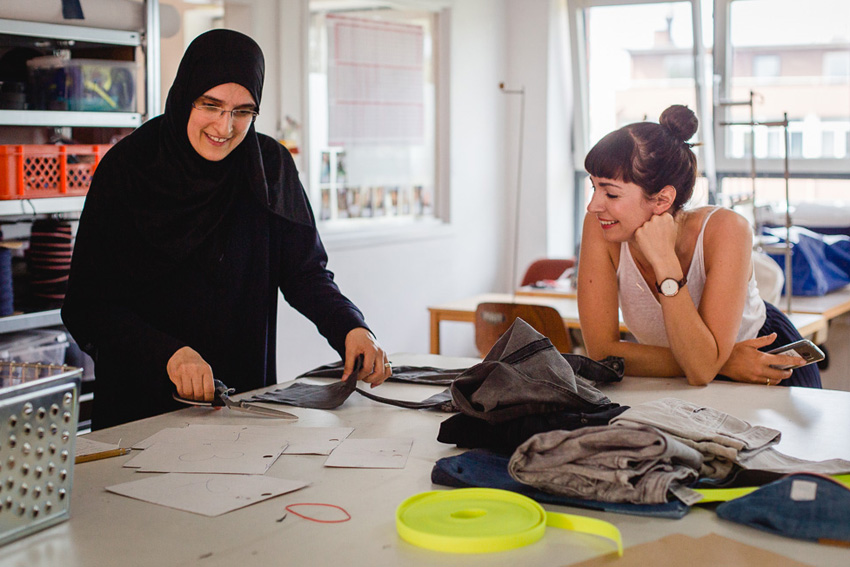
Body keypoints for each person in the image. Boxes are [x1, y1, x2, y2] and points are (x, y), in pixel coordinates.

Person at [62, 29, 392, 430]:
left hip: (239, 404)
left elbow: (304, 272)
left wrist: (351, 327)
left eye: (242, 112)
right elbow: (87, 307)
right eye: (211, 105)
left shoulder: (270, 167)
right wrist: (169, 355)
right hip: (139, 411)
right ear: (186, 96)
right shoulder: (127, 170)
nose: (225, 126)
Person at [576, 104, 821, 388]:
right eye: (594, 187)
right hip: (717, 370)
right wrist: (725, 362)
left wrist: (664, 260)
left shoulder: (727, 229)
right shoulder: (600, 225)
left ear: (662, 200)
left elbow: (701, 370)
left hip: (762, 363)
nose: (593, 205)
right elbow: (602, 353)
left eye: (610, 194)